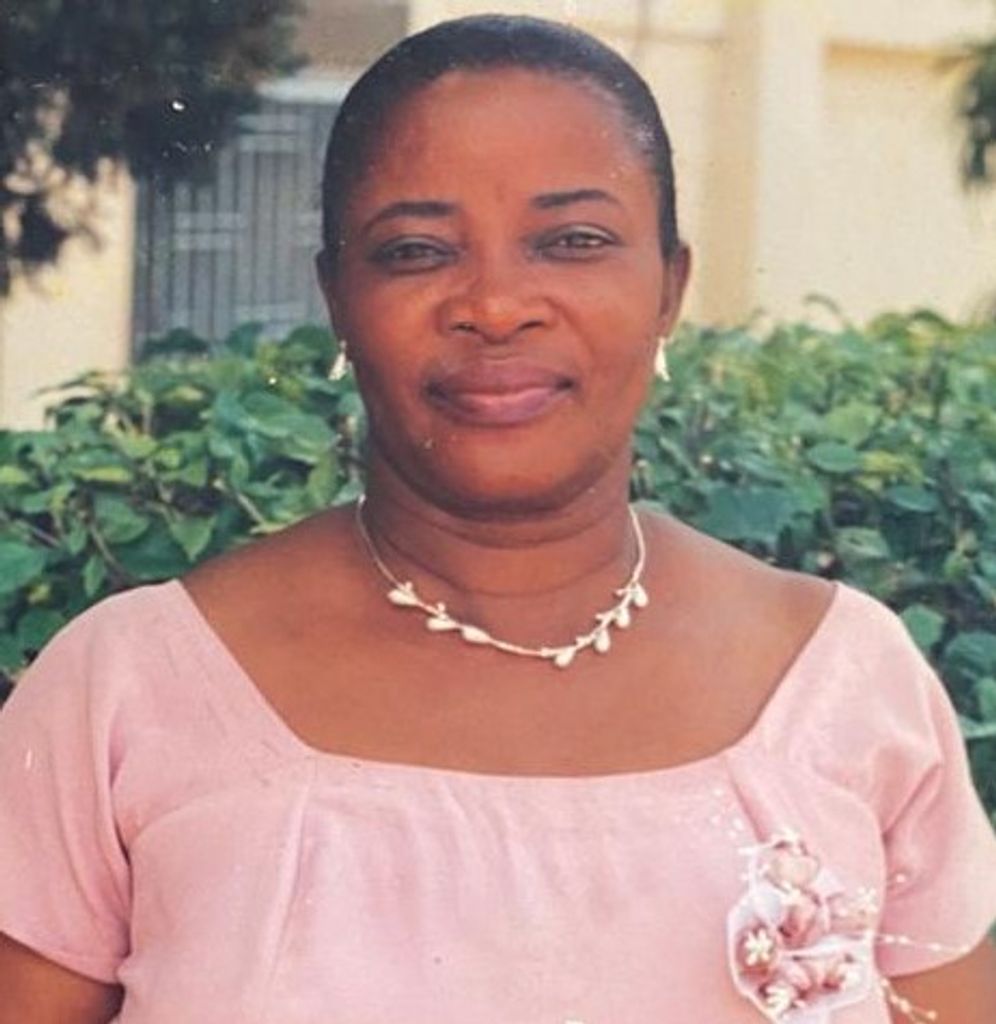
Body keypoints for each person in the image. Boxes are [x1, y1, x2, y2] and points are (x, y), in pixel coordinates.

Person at [0, 14, 994, 1023]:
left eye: (573, 241)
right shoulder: (129, 689)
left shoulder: (844, 683)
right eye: (416, 250)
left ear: (670, 287)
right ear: (337, 298)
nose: (498, 303)